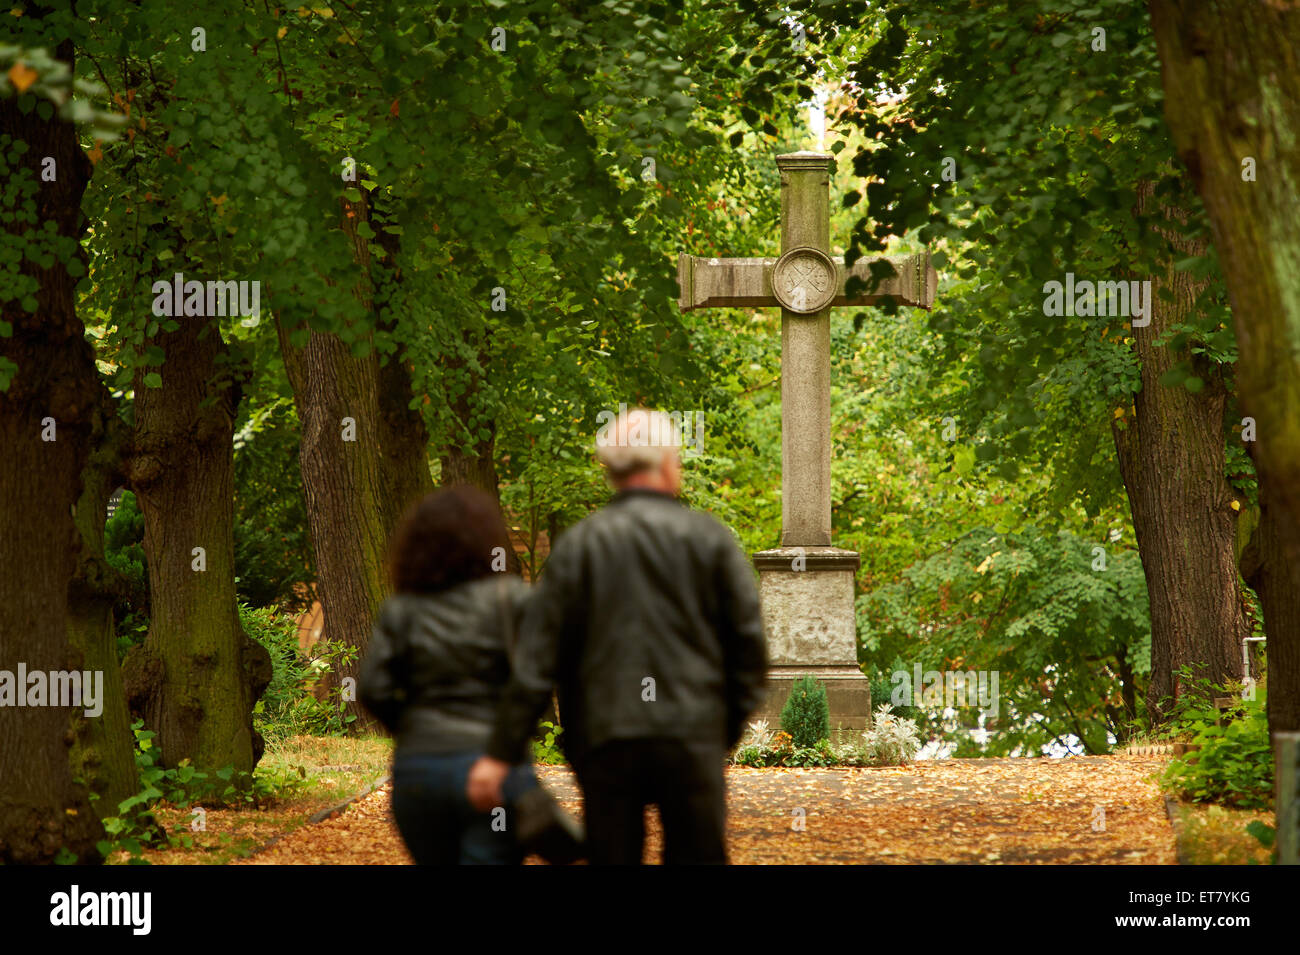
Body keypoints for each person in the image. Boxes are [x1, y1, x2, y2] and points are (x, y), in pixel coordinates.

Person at [467, 407, 767, 864]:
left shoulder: (579, 547)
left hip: (606, 740)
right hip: (691, 736)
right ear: (668, 464)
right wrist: (723, 729)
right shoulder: (709, 541)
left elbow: (536, 661)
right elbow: (748, 647)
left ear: (610, 470)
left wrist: (501, 752)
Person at [359, 485, 538, 865]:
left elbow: (373, 688)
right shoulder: (512, 601)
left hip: (419, 771)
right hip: (495, 767)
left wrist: (414, 730)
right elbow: (533, 683)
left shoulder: (401, 609)